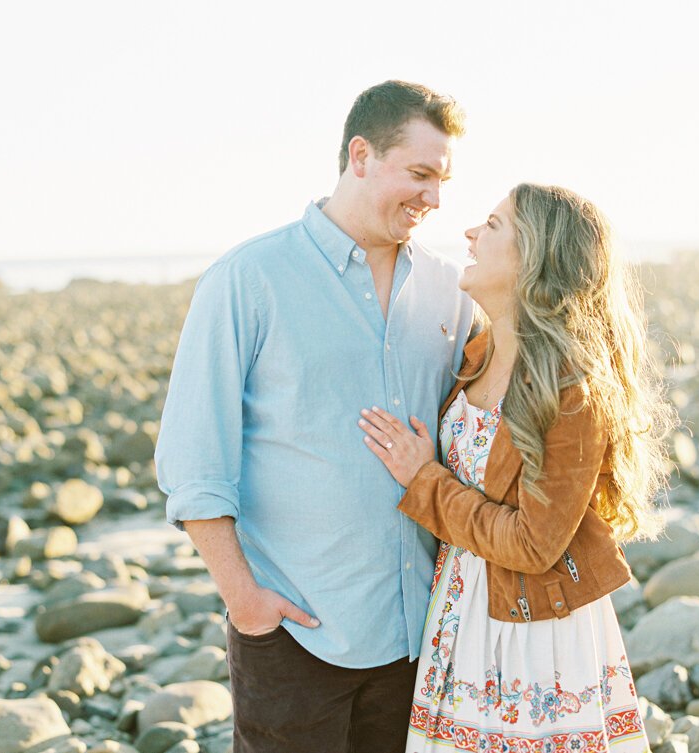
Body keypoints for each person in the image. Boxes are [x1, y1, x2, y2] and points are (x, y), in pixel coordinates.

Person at [155, 80, 475, 753]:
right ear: (361, 155)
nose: (435, 198)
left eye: (442, 180)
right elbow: (193, 461)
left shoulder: (452, 290)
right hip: (294, 634)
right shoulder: (249, 279)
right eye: (419, 173)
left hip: (418, 641)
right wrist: (245, 599)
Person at [358, 183, 674, 752]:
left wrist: (423, 478)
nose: (471, 234)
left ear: (537, 256)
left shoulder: (571, 391)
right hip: (461, 615)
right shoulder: (475, 357)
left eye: (494, 225)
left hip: (531, 636)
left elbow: (534, 544)